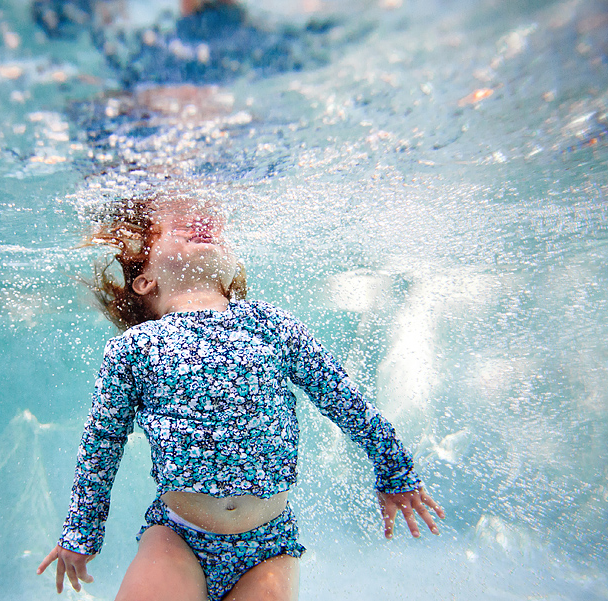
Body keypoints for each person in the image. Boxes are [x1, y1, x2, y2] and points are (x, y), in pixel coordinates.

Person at [37, 194, 445, 600]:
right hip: (178, 537)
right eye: (172, 230)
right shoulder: (133, 348)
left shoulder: (275, 325)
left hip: (268, 548)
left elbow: (344, 400)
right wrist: (81, 531)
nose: (198, 225)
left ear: (232, 269)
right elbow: (101, 443)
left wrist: (394, 469)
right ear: (145, 280)